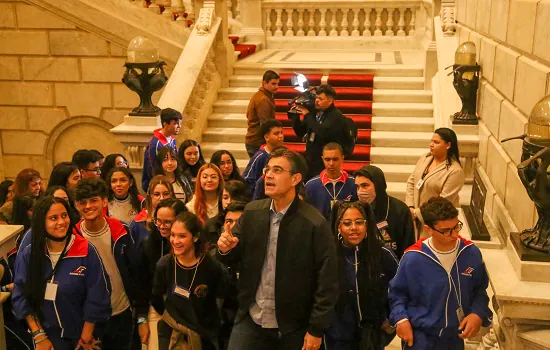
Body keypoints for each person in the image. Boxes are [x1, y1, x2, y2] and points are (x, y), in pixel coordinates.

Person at [217, 148, 338, 350]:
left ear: (295, 179)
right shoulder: (252, 212)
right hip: (252, 317)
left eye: (278, 170)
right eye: (268, 169)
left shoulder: (314, 223)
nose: (269, 175)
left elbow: (327, 281)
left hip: (293, 325)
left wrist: (316, 329)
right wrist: (225, 248)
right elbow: (230, 256)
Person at [389, 197, 492, 350]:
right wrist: (401, 319)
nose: (454, 234)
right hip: (420, 338)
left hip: (454, 338)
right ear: (429, 229)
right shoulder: (413, 258)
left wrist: (477, 313)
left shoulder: (471, 253)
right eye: (446, 231)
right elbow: (397, 294)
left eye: (456, 226)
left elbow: (480, 290)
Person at [12, 196, 111, 349]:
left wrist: (85, 339)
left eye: (64, 216)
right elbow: (20, 294)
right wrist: (38, 336)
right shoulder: (30, 254)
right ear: (41, 222)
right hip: (46, 337)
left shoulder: (85, 250)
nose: (61, 222)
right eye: (53, 218)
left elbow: (97, 295)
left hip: (82, 337)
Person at [74, 178, 145, 350]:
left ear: (104, 201)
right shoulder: (73, 237)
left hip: (121, 311)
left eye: (93, 200)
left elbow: (136, 272)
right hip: (88, 319)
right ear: (76, 205)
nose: (88, 206)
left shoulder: (121, 231)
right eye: (83, 202)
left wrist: (141, 314)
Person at [325, 201, 398, 350]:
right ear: (339, 226)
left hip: (372, 337)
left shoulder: (383, 253)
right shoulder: (327, 255)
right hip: (337, 338)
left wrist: (392, 319)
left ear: (366, 225)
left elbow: (401, 289)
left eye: (359, 222)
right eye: (347, 223)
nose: (354, 228)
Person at [152, 211, 228, 350]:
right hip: (171, 329)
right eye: (173, 235)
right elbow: (156, 298)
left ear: (195, 237)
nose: (175, 241)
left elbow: (219, 301)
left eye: (182, 236)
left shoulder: (212, 267)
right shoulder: (164, 264)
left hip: (203, 333)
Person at [137, 198, 187, 349]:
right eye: (158, 221)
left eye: (167, 222)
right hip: (157, 308)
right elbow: (141, 284)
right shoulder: (148, 244)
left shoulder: (192, 246)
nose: (162, 226)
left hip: (187, 312)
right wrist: (141, 319)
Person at [405, 128, 465, 238]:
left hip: (436, 225)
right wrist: (410, 206)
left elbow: (443, 202)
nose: (431, 145)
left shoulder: (455, 171)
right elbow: (412, 181)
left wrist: (416, 213)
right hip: (415, 219)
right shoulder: (425, 157)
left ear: (448, 145)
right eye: (431, 141)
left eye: (436, 142)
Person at [354, 165, 415, 258]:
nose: (360, 191)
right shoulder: (354, 210)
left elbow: (408, 248)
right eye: (358, 187)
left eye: (365, 186)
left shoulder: (400, 210)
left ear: (378, 185)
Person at [292, 84, 351, 180]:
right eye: (316, 98)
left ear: (330, 100)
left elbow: (322, 132)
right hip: (311, 159)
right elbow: (300, 132)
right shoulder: (315, 113)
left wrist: (307, 115)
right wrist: (295, 117)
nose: (316, 101)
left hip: (326, 162)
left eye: (320, 99)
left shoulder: (336, 116)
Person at [304, 143, 357, 218]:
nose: (331, 163)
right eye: (327, 159)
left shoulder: (353, 183)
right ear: (322, 159)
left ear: (342, 159)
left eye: (335, 159)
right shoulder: (311, 186)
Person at [142, 108, 182, 191]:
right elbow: (151, 169)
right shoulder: (155, 144)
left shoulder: (172, 138)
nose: (179, 126)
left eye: (179, 123)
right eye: (175, 124)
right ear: (165, 124)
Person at [129, 175, 175, 248]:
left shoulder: (179, 220)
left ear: (172, 195)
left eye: (166, 194)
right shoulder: (137, 224)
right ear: (150, 196)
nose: (162, 198)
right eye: (156, 194)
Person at [245, 70, 280, 158]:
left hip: (254, 140)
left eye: (277, 84)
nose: (276, 87)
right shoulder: (263, 99)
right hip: (257, 142)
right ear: (264, 83)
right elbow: (265, 124)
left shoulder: (261, 95)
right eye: (273, 84)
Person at [243, 120, 285, 193]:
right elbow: (247, 180)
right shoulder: (260, 157)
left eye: (281, 133)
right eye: (276, 133)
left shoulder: (286, 154)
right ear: (266, 137)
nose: (281, 136)